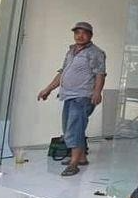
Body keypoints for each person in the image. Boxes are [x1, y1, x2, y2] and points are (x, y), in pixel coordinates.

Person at [38, 22, 107, 177]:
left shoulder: (95, 52)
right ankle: (81, 158)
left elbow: (100, 74)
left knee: (74, 128)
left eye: (84, 33)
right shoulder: (71, 51)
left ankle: (73, 164)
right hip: (68, 95)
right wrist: (48, 89)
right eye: (77, 33)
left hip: (82, 96)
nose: (80, 36)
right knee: (69, 128)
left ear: (90, 35)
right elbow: (62, 72)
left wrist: (97, 92)